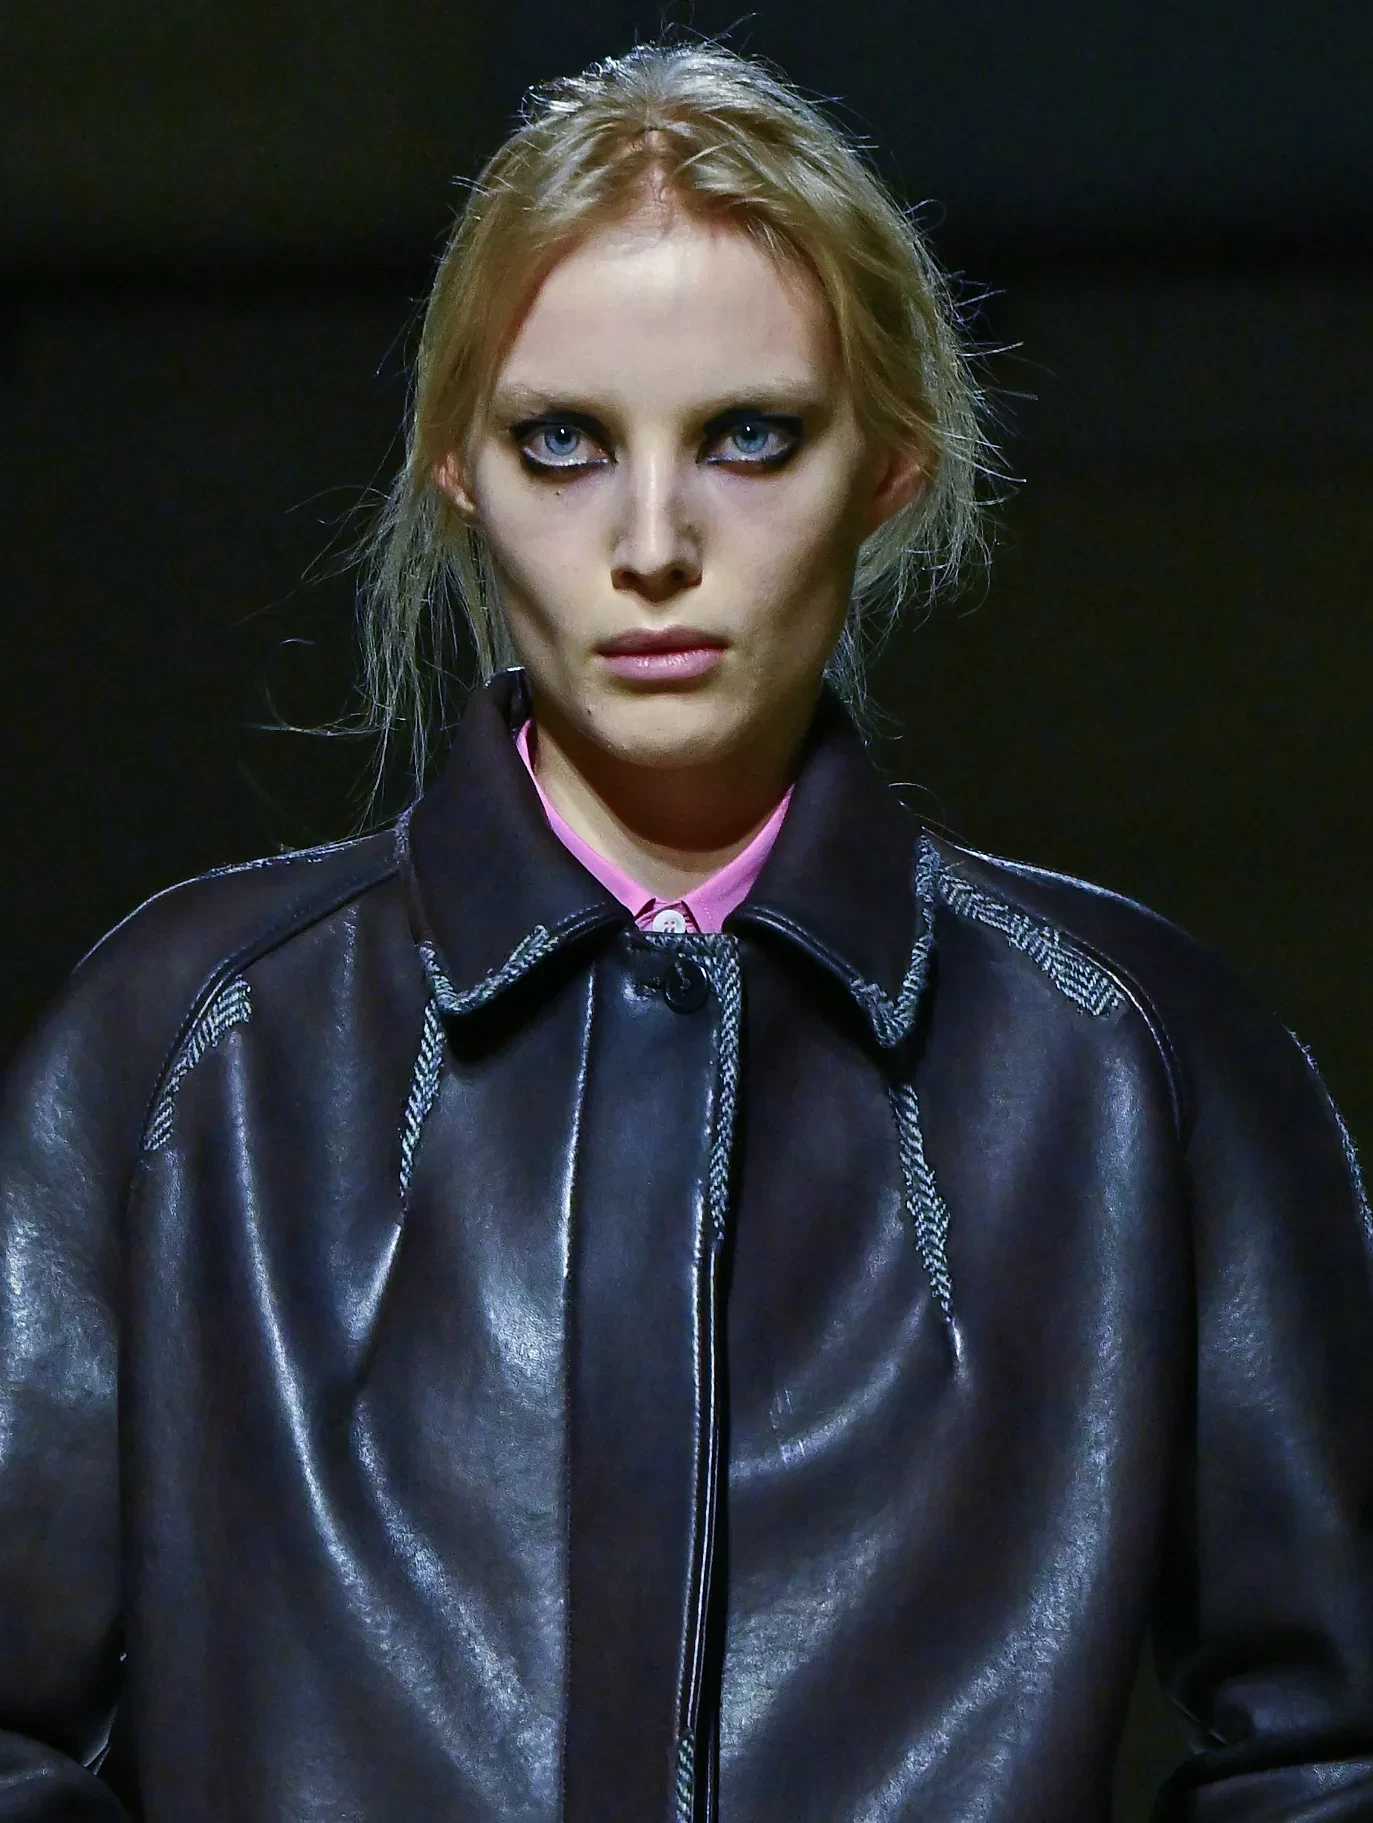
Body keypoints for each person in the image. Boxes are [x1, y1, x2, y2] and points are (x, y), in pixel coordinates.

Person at [2, 37, 1371, 1823]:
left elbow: (1332, 1750)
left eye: (749, 437)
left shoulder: (1135, 1068)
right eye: (564, 442)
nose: (654, 542)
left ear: (890, 463)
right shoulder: (184, 1050)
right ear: (459, 470)